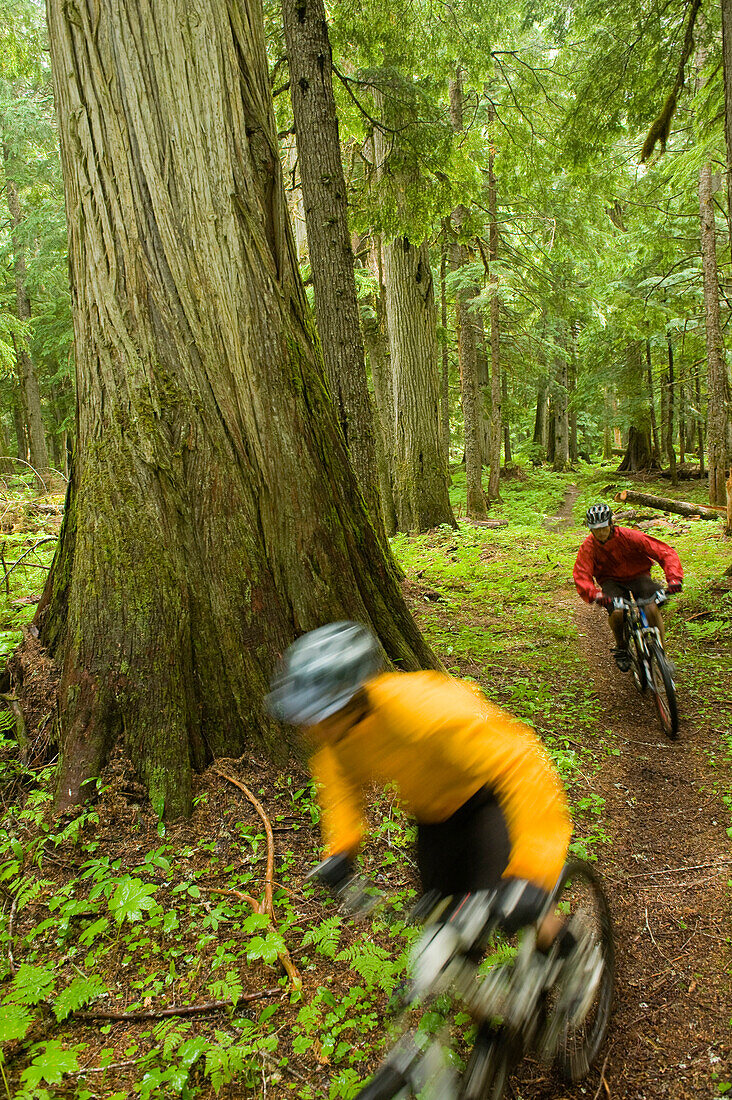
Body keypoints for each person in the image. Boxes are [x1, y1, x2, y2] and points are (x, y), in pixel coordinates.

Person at [266, 621, 572, 949]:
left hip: (486, 800)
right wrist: (341, 849)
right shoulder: (338, 739)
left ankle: (566, 949)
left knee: (520, 904)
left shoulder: (425, 708)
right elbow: (341, 789)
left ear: (350, 702)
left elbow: (520, 762)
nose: (306, 728)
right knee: (448, 934)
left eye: (316, 716)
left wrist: (535, 869)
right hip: (434, 821)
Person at [573, 503, 683, 671]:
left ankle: (663, 656)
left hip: (639, 576)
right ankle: (622, 647)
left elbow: (663, 552)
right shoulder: (588, 547)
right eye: (595, 529)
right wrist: (595, 594)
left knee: (651, 607)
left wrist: (674, 579)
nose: (600, 533)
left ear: (611, 524)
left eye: (603, 528)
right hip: (611, 581)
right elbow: (582, 574)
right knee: (617, 612)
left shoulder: (629, 536)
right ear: (590, 529)